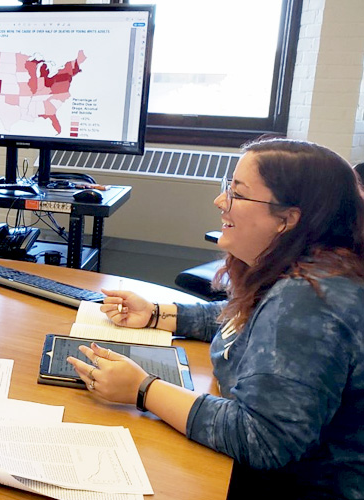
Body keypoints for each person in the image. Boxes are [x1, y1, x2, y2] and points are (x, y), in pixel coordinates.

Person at [67, 139, 364, 498]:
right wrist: (156, 314)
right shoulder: (310, 271)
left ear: (287, 219)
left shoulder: (307, 300)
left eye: (237, 194)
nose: (221, 202)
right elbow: (245, 321)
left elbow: (263, 440)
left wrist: (143, 390)